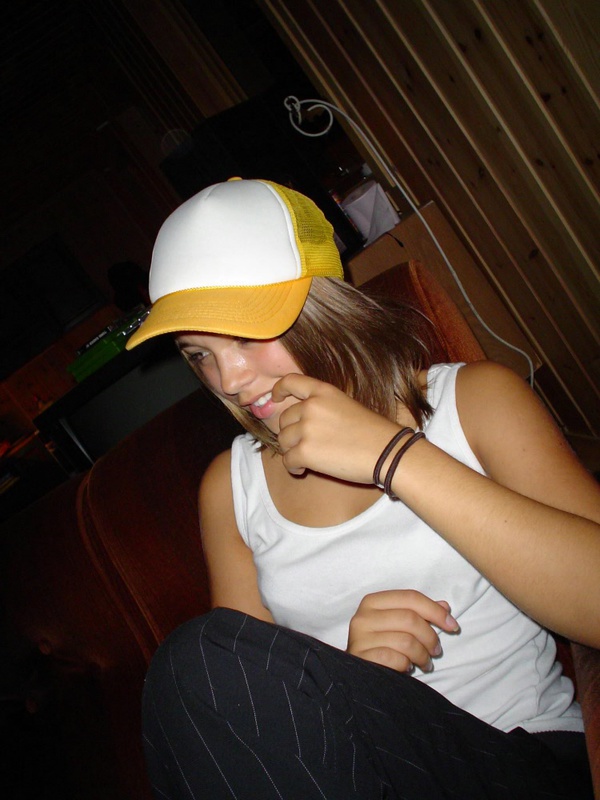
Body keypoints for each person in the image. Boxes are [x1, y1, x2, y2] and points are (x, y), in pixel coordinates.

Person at [126, 177, 599, 799]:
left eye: (245, 334)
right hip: (365, 773)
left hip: (520, 758)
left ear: (324, 303)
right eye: (199, 354)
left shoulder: (474, 403)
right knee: (196, 668)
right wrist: (356, 679)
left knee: (194, 659)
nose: (230, 379)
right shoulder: (231, 487)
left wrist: (391, 455)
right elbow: (250, 713)